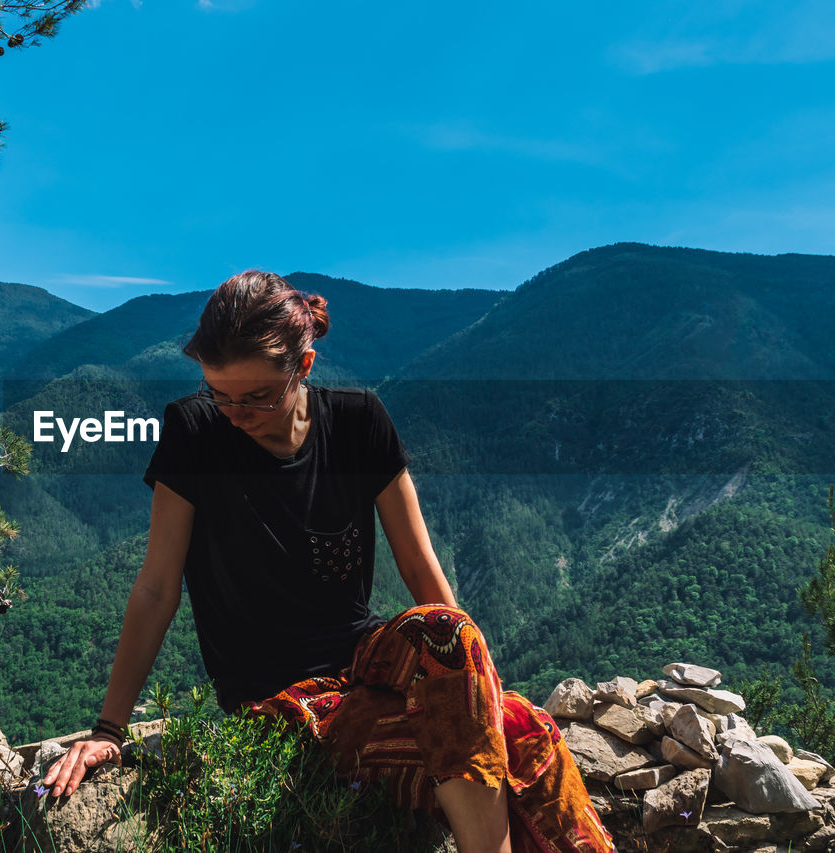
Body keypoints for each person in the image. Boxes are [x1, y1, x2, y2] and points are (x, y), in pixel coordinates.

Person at [43, 271, 613, 853]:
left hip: (366, 658)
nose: (235, 413)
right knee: (524, 732)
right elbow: (157, 588)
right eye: (220, 394)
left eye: (258, 397)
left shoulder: (360, 421)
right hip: (279, 700)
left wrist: (474, 689)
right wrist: (108, 731)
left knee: (451, 632)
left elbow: (421, 572)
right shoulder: (194, 433)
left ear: (305, 368)